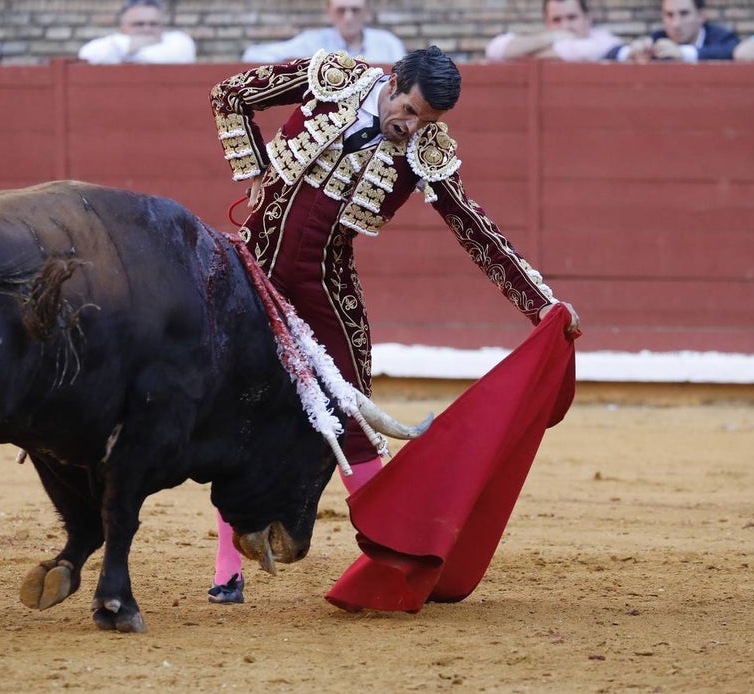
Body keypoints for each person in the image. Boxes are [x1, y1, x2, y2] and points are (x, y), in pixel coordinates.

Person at [205, 47, 581, 603]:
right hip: (251, 268)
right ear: (394, 79)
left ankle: (395, 560)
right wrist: (256, 174)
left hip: (325, 286)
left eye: (428, 120)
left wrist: (542, 305)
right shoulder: (331, 79)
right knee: (236, 410)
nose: (412, 126)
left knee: (355, 420)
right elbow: (230, 96)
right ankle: (225, 571)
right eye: (409, 109)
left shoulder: (426, 151)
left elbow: (473, 228)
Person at [241, 0, 406, 64]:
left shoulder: (389, 44)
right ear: (329, 12)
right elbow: (252, 55)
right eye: (341, 10)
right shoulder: (311, 43)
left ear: (366, 12)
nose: (348, 17)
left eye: (355, 10)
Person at [485, 0, 622, 62]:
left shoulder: (606, 42)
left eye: (572, 17)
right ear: (547, 23)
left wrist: (525, 52)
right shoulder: (544, 40)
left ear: (587, 19)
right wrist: (551, 37)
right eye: (557, 20)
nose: (565, 26)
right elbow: (495, 49)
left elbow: (599, 49)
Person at [609, 0, 739, 62]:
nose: (676, 24)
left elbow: (732, 50)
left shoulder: (720, 37)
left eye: (684, 13)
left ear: (701, 16)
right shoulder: (659, 37)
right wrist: (631, 52)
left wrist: (682, 53)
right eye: (669, 15)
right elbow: (610, 53)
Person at [77, 0, 196, 64]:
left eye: (153, 24)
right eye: (139, 24)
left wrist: (127, 54)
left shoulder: (179, 41)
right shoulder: (111, 42)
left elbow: (183, 54)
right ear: (123, 28)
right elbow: (87, 55)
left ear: (163, 27)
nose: (147, 29)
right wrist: (129, 45)